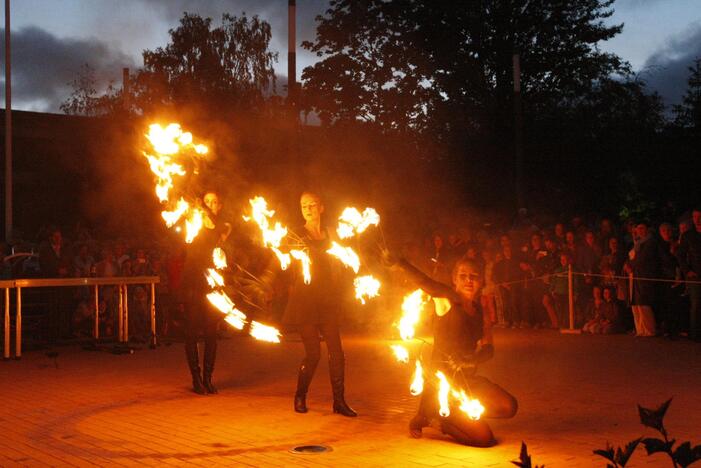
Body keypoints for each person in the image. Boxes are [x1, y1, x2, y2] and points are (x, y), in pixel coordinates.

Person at [387, 254, 517, 447]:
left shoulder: (480, 311)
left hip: (467, 381)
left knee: (509, 406)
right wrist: (401, 262)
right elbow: (425, 282)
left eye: (474, 276)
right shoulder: (446, 300)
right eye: (463, 276)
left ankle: (457, 414)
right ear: (455, 280)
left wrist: (470, 360)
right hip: (442, 387)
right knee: (484, 439)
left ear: (481, 281)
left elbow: (489, 349)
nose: (469, 280)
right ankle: (436, 419)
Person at [282, 191, 357, 417]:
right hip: (306, 302)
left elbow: (344, 262)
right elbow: (282, 261)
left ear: (322, 207)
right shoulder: (295, 235)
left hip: (327, 301)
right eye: (304, 205)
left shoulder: (332, 234)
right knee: (313, 354)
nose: (308, 208)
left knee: (337, 353)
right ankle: (300, 395)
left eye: (313, 204)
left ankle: (339, 401)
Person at [182, 191, 230, 395]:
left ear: (220, 206)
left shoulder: (224, 227)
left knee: (211, 332)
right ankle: (195, 378)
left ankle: (208, 378)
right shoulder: (193, 220)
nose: (210, 204)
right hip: (193, 280)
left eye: (214, 201)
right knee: (192, 331)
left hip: (211, 283)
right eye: (207, 201)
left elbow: (220, 251)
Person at [677, 208, 701, 341]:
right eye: (695, 217)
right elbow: (680, 255)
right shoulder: (688, 235)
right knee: (696, 305)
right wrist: (687, 271)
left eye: (700, 216)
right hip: (695, 275)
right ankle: (696, 334)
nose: (697, 219)